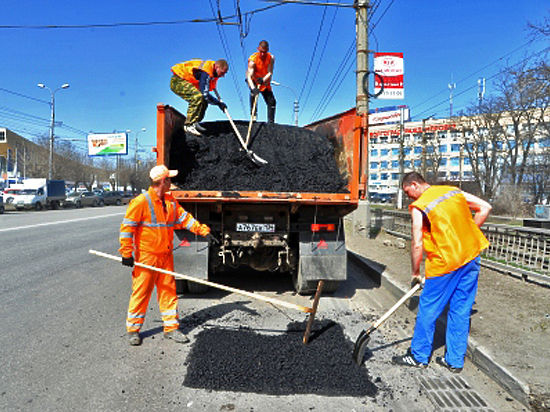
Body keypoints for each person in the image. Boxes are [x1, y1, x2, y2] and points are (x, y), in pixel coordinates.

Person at [392, 172, 492, 373]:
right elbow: (485, 208)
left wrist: (414, 272)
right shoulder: (452, 191)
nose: (408, 196)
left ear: (414, 184)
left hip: (444, 263)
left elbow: (417, 243)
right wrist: (467, 234)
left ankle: (418, 356)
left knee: (428, 308)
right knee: (461, 310)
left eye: (407, 191)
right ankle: (454, 361)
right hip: (471, 256)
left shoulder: (419, 206)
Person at [119, 165, 211, 346]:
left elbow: (185, 219)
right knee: (141, 293)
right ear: (163, 181)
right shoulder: (140, 202)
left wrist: (202, 230)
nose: (172, 182)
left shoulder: (170, 202)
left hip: (166, 256)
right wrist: (126, 252)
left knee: (169, 292)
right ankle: (133, 330)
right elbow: (127, 229)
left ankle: (171, 328)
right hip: (147, 257)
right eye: (169, 179)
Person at [170, 59, 229, 136]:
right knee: (197, 97)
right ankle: (189, 125)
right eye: (222, 72)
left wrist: (217, 102)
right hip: (177, 81)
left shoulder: (212, 75)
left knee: (204, 101)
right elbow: (205, 94)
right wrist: (218, 103)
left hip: (185, 82)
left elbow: (206, 94)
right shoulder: (205, 72)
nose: (223, 75)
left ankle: (195, 122)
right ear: (216, 67)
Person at [246, 40, 276, 123]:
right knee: (253, 95)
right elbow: (249, 75)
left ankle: (271, 122)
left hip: (265, 81)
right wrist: (253, 88)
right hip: (254, 80)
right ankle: (254, 116)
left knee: (272, 101)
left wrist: (263, 79)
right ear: (258, 49)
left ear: (267, 50)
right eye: (261, 52)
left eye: (265, 52)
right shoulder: (253, 59)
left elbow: (270, 72)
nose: (263, 54)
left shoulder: (271, 58)